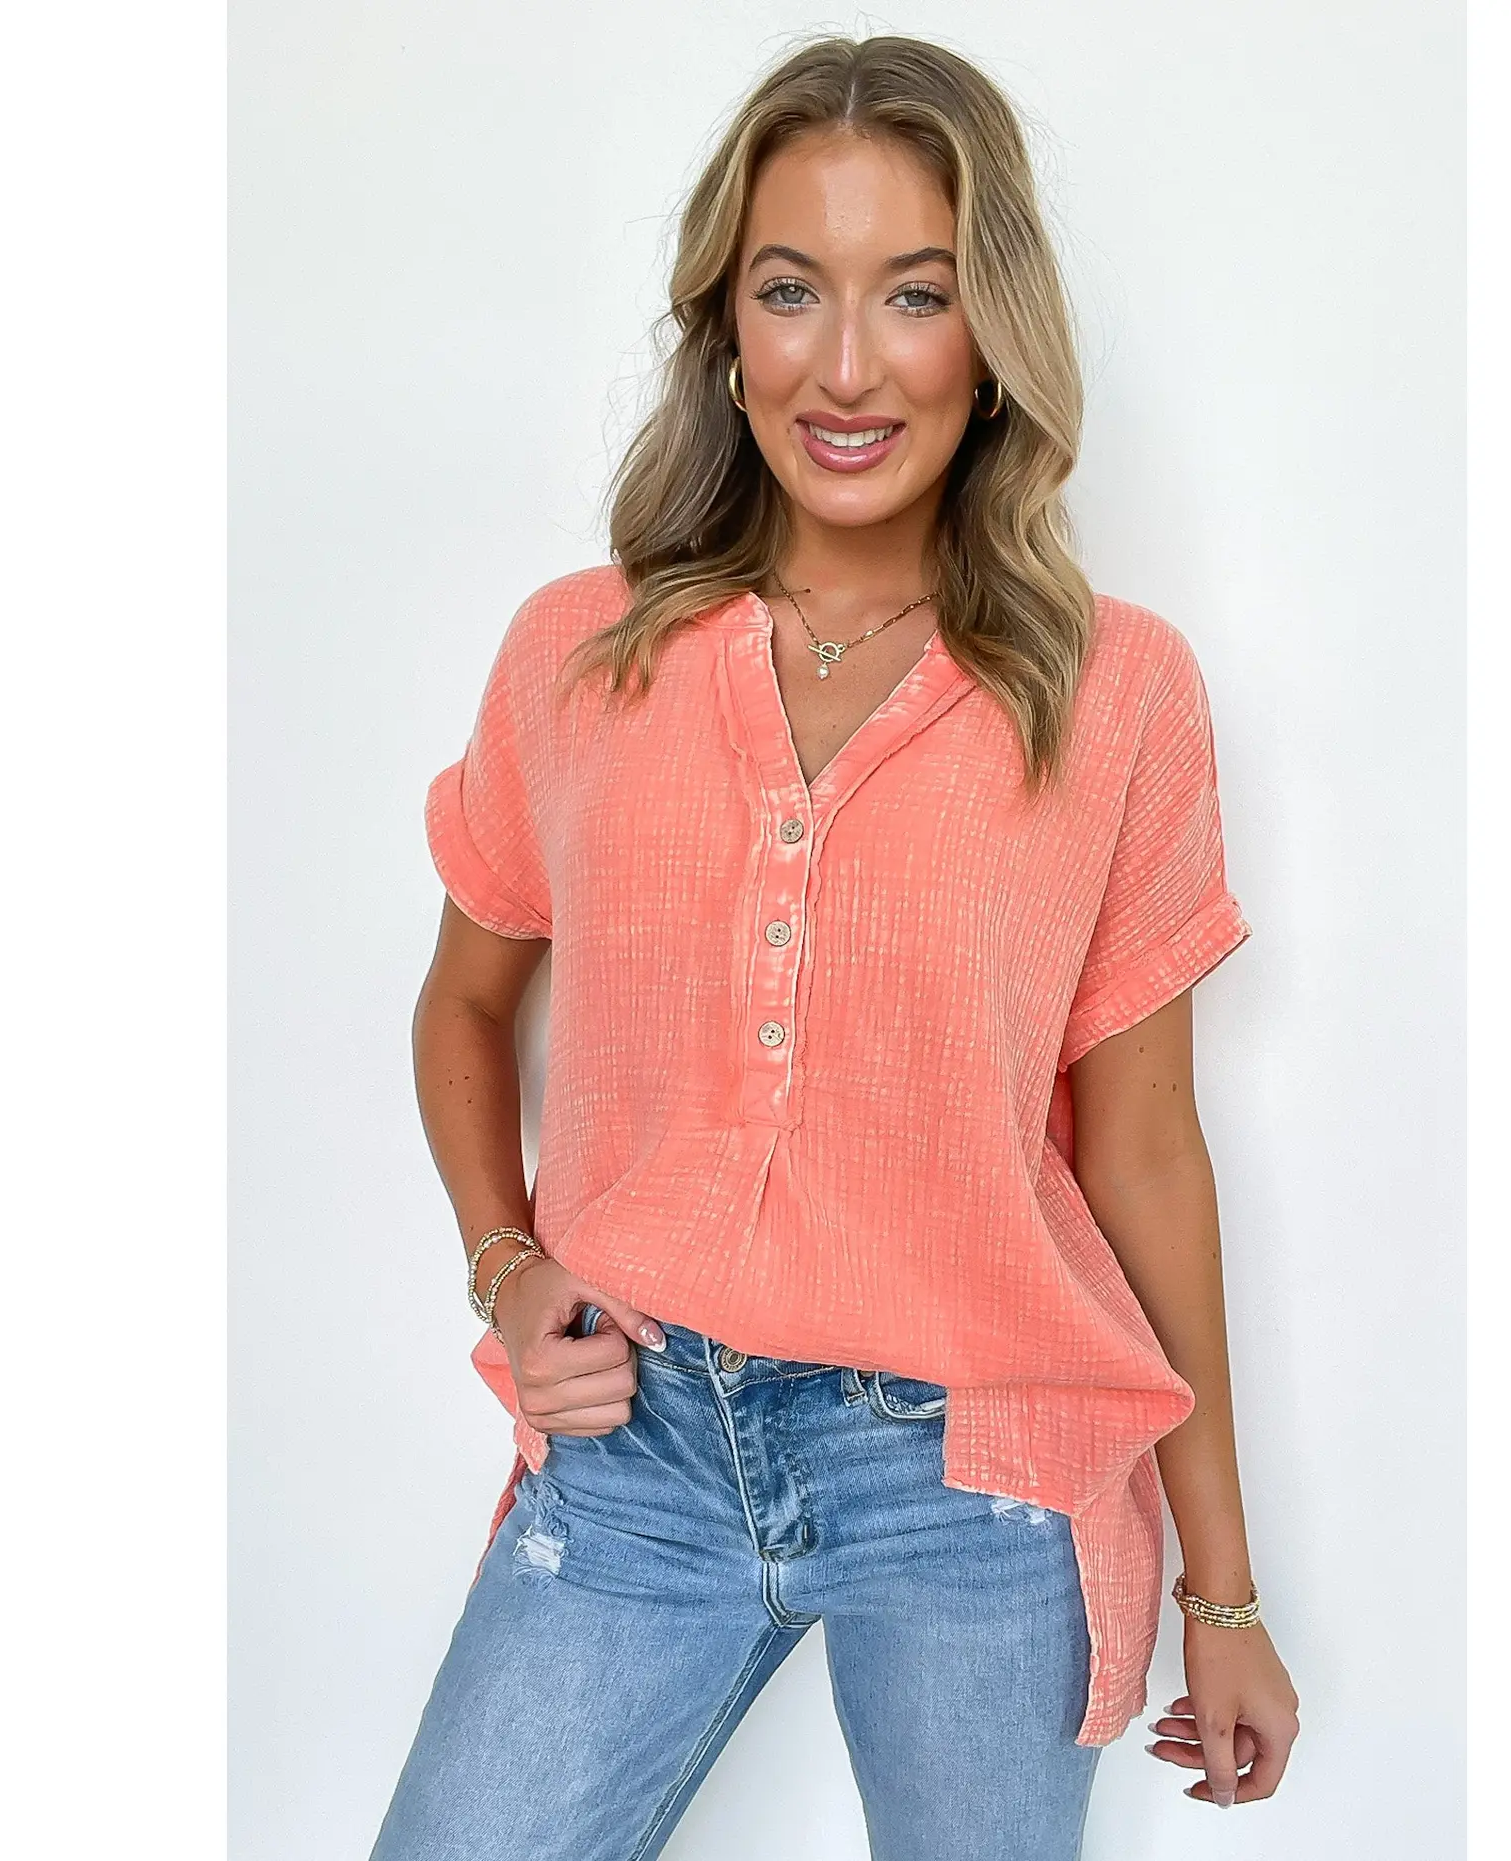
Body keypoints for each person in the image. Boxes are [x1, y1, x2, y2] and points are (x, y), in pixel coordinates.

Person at [369, 31, 1300, 1861]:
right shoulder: (582, 655)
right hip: (634, 1454)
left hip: (974, 1479)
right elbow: (467, 998)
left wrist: (1225, 1590)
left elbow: (1145, 1153)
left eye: (917, 294)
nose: (848, 366)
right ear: (726, 325)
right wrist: (506, 1269)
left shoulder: (1114, 691)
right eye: (791, 289)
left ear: (992, 336)